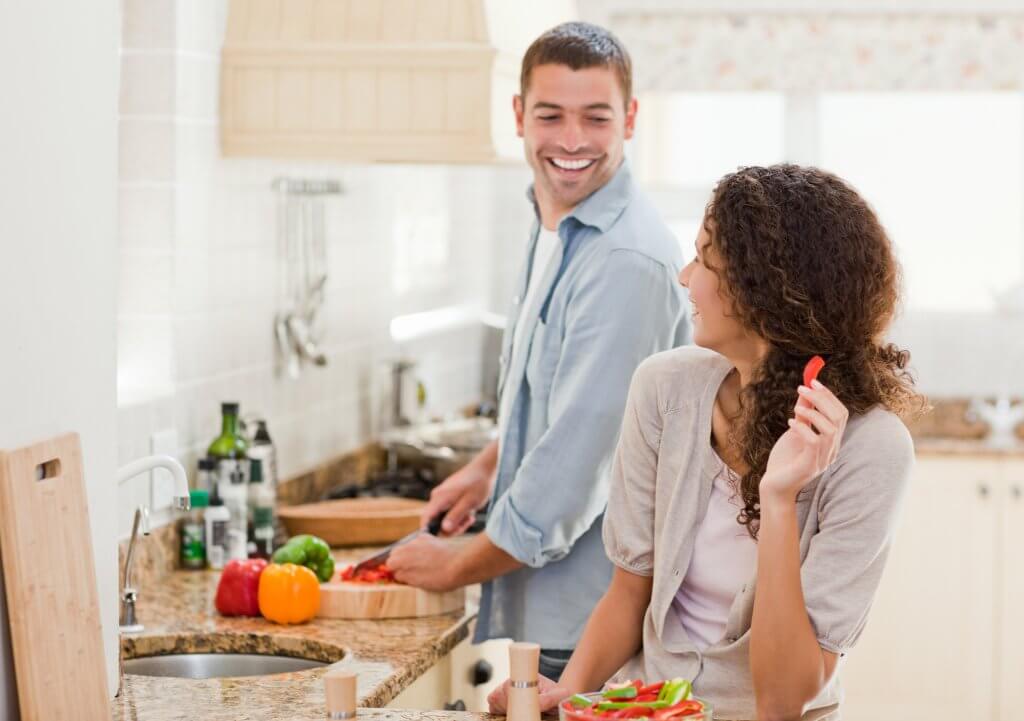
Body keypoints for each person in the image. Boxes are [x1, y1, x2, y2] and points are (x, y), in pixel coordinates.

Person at [488, 164, 926, 720]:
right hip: (645, 708)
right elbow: (629, 595)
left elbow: (784, 698)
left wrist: (779, 499)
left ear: (761, 290)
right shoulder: (664, 389)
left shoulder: (871, 449)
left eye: (703, 257)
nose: (684, 276)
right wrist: (568, 696)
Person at [387, 22, 689, 681]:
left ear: (631, 119)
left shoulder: (623, 262)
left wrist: (455, 564)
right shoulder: (558, 223)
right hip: (549, 612)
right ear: (520, 115)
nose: (572, 140)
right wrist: (490, 468)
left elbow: (575, 467)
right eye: (551, 114)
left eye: (596, 117)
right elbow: (549, 393)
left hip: (587, 625)